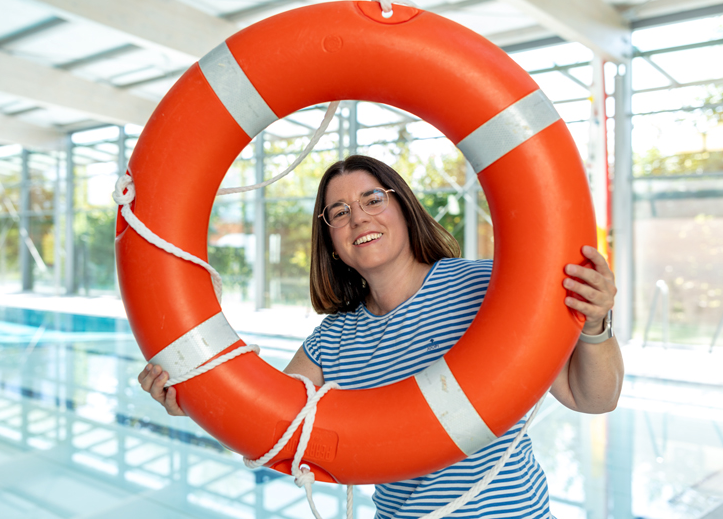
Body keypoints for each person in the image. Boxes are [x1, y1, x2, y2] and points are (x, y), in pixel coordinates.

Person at [139, 154, 624, 518]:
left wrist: (595, 324)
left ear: (403, 207)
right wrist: (198, 394)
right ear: (331, 240)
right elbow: (264, 434)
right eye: (339, 212)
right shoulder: (332, 340)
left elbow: (592, 398)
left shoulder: (488, 287)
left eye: (373, 199)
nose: (359, 218)